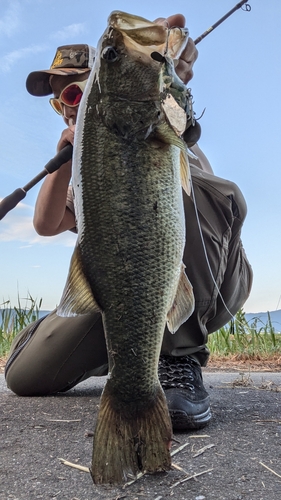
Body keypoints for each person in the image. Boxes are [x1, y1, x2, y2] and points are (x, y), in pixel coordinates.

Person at [5, 14, 253, 432]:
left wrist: (169, 75)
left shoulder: (155, 124)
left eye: (75, 90)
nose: (69, 105)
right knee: (23, 377)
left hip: (213, 281)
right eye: (59, 100)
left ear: (98, 85)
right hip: (129, 294)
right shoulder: (87, 174)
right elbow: (46, 224)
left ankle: (178, 359)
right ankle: (130, 350)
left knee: (203, 190)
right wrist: (64, 157)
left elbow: (180, 126)